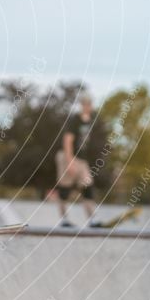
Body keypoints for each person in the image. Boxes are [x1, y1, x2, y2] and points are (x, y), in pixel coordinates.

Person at [51, 94, 99, 227]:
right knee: (65, 189)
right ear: (82, 105)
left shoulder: (90, 121)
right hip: (68, 156)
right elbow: (67, 140)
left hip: (82, 160)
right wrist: (69, 161)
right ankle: (63, 220)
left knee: (88, 186)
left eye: (89, 104)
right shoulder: (75, 120)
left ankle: (92, 220)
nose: (87, 107)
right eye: (85, 104)